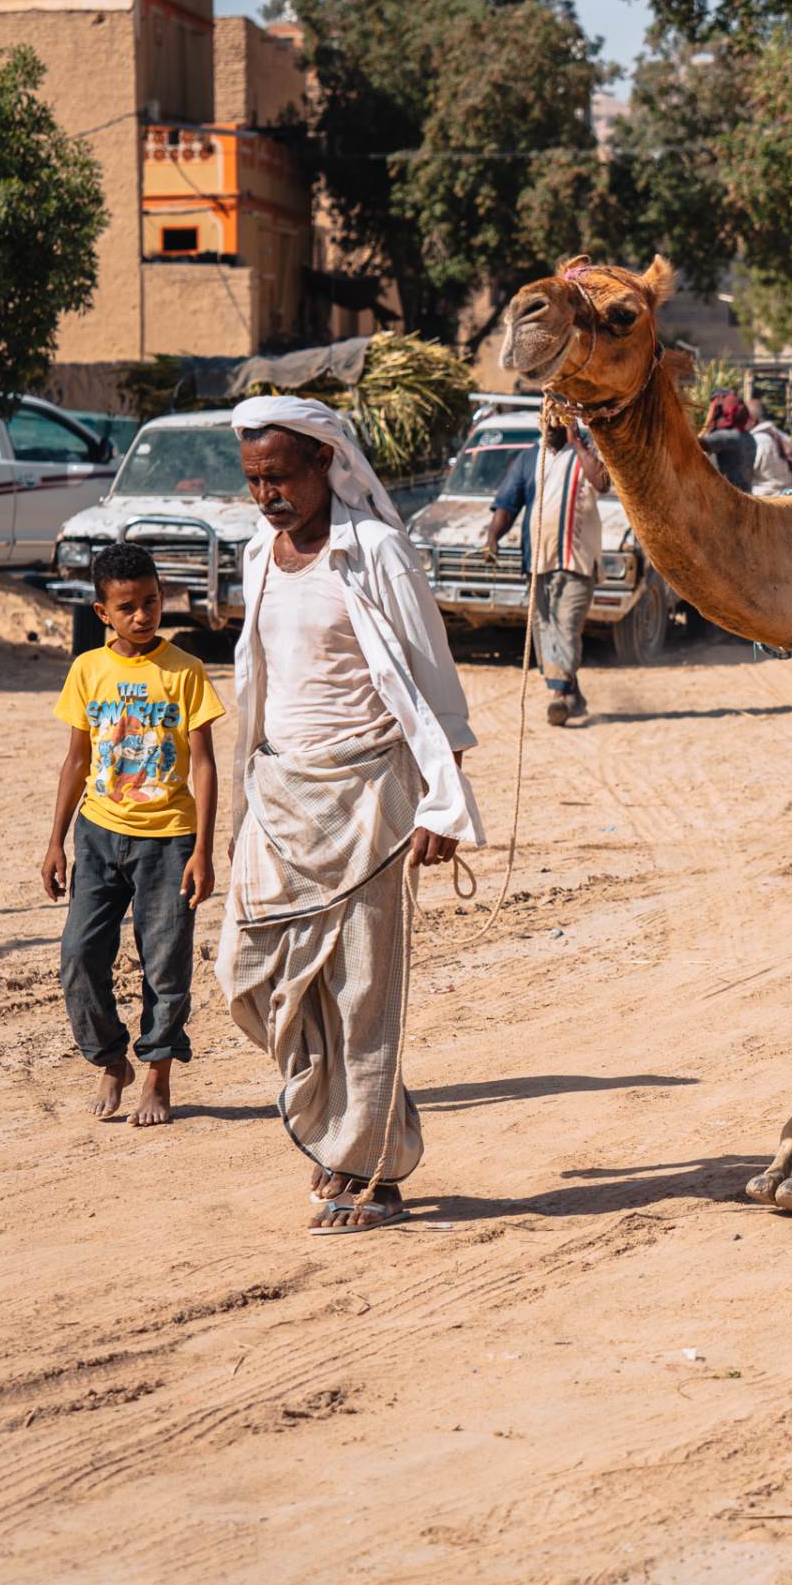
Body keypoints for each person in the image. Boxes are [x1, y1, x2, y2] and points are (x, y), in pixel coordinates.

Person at [216, 396, 482, 1237]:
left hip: (369, 797)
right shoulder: (260, 554)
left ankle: (365, 1168)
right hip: (280, 796)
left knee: (362, 995)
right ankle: (360, 1124)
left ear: (325, 463)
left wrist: (443, 801)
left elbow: (435, 684)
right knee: (244, 975)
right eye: (255, 480)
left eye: (281, 477)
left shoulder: (376, 553)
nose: (268, 496)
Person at [42, 542, 223, 1127]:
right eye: (128, 607)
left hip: (169, 840)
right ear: (102, 613)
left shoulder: (186, 671)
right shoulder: (87, 670)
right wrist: (55, 842)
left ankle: (158, 1073)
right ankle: (110, 1057)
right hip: (97, 834)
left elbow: (203, 764)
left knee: (165, 963)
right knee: (78, 954)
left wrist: (201, 849)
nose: (143, 615)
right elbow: (75, 761)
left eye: (151, 602)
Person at [485, 416, 611, 727]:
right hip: (537, 560)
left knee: (566, 626)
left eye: (559, 422)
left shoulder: (586, 455)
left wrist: (577, 443)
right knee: (545, 631)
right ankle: (573, 696)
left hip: (577, 560)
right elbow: (508, 504)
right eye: (548, 421)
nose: (552, 427)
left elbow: (603, 483)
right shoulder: (530, 458)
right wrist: (492, 537)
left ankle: (558, 699)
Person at [700, 390, 757, 491]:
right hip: (746, 496)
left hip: (727, 498)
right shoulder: (749, 437)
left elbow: (692, 444)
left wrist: (709, 420)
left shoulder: (724, 437)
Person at [746, 396, 792, 496]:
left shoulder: (755, 442)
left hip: (765, 501)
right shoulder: (785, 437)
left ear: (752, 420)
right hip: (790, 500)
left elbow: (744, 476)